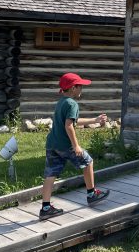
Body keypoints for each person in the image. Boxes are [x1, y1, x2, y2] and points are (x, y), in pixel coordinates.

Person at [39, 72, 110, 219]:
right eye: (80, 86)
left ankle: (45, 208)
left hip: (52, 144)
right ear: (72, 88)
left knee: (50, 174)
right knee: (88, 161)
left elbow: (74, 121)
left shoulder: (62, 102)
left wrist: (94, 120)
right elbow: (69, 126)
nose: (81, 89)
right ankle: (92, 194)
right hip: (65, 145)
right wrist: (76, 146)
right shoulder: (72, 104)